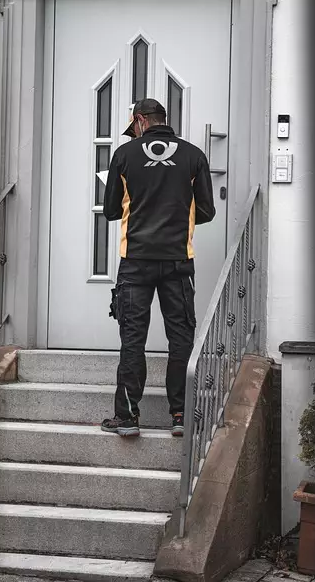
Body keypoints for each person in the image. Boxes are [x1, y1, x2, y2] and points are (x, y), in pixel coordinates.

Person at [101, 98, 215, 438]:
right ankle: (180, 414)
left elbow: (111, 211)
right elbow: (206, 211)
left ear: (140, 120)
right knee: (180, 338)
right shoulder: (194, 155)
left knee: (132, 337)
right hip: (178, 261)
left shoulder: (124, 155)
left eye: (133, 127)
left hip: (135, 261)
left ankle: (128, 418)